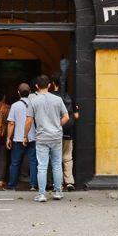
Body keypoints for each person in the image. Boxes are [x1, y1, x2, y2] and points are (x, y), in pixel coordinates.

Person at [25, 74, 68, 203]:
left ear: (37, 86)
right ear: (49, 85)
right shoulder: (58, 100)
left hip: (42, 137)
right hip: (56, 136)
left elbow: (28, 121)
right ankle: (58, 192)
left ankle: (42, 194)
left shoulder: (33, 101)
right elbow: (66, 117)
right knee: (56, 164)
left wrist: (24, 135)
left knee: (42, 166)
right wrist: (56, 125)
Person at [6, 82, 37, 191]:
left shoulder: (15, 105)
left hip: (18, 138)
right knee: (33, 161)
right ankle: (33, 185)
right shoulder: (34, 104)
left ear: (18, 93)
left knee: (15, 163)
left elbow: (11, 123)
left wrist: (8, 138)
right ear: (30, 92)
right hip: (32, 137)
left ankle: (12, 185)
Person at [51, 74, 80, 191]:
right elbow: (77, 115)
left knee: (55, 158)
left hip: (54, 131)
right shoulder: (70, 97)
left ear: (53, 84)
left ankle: (57, 183)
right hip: (68, 131)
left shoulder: (51, 97)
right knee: (67, 157)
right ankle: (69, 182)